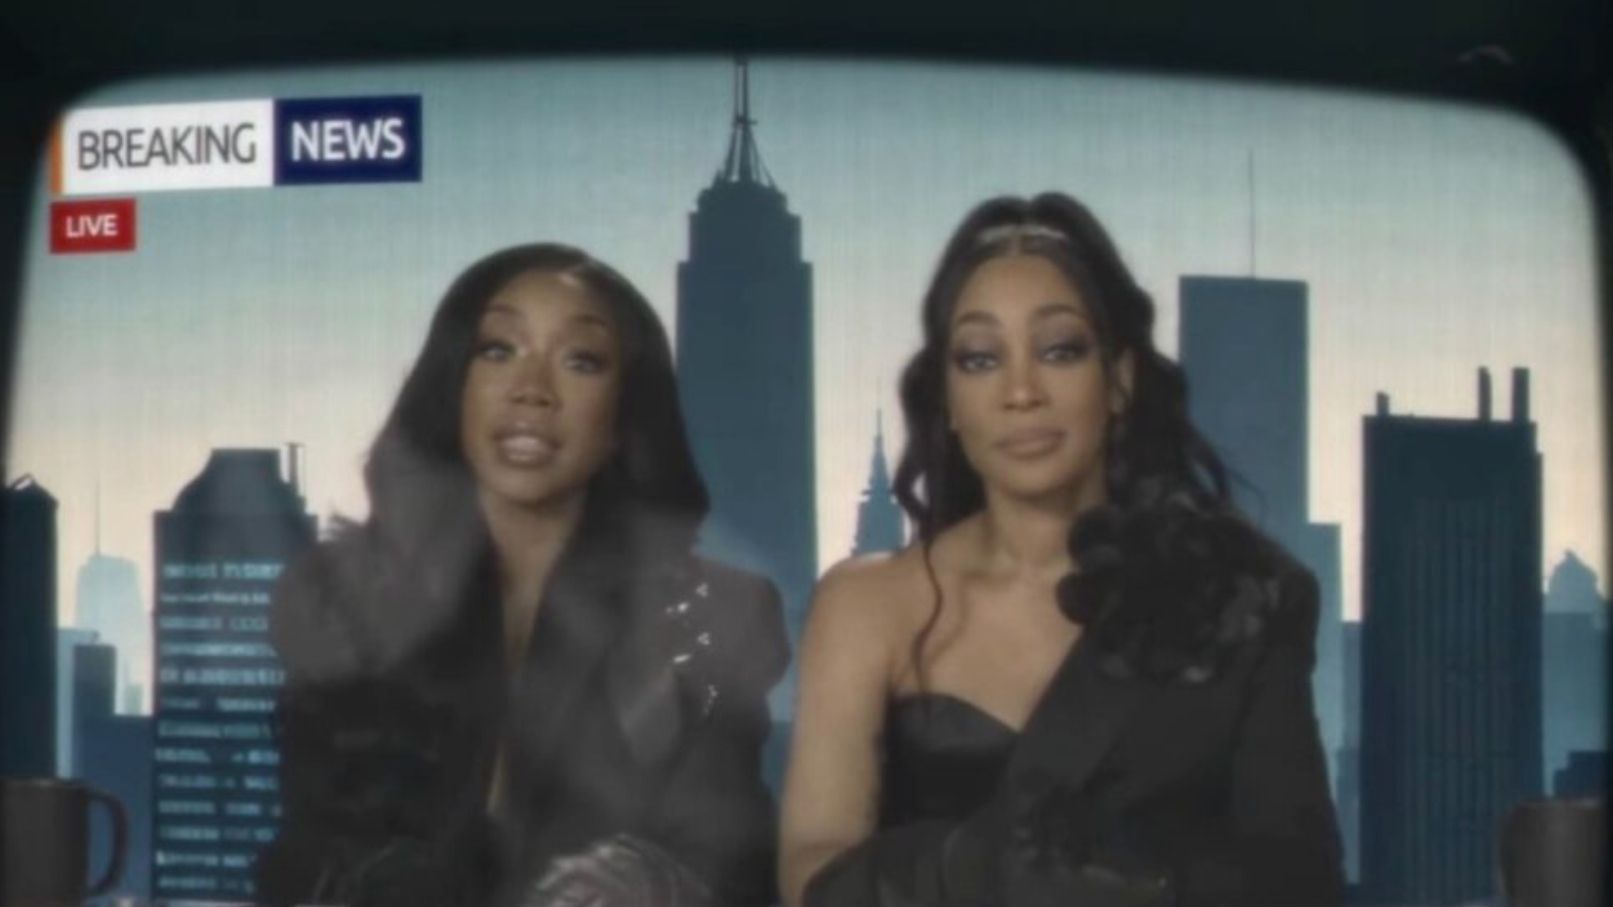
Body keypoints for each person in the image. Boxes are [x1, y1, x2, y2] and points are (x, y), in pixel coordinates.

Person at [779, 194, 1343, 907]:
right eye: (980, 359)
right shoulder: (866, 604)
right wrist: (971, 867)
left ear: (1119, 380)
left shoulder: (1238, 596)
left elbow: (1300, 883)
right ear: (948, 401)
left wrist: (1133, 879)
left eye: (1059, 350)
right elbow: (812, 873)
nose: (1021, 392)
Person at [256, 244, 788, 907]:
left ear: (624, 414)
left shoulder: (717, 614)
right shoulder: (338, 597)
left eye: (580, 361)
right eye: (497, 350)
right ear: (453, 384)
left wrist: (648, 881)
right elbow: (306, 858)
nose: (531, 388)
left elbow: (730, 860)